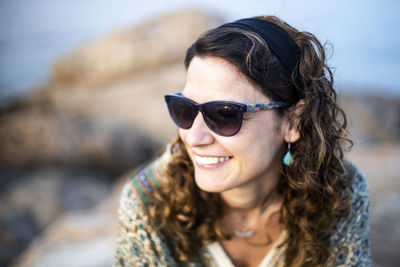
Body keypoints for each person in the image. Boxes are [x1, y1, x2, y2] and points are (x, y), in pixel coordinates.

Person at [114, 16, 370, 267]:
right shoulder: (149, 202)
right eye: (185, 108)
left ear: (293, 121)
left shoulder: (339, 197)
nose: (193, 137)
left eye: (224, 114)